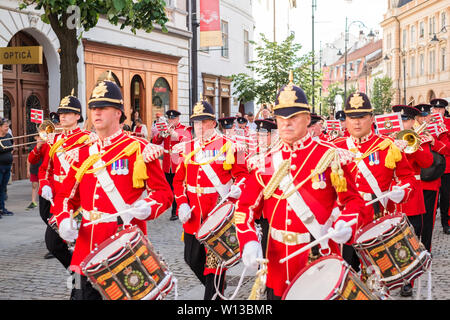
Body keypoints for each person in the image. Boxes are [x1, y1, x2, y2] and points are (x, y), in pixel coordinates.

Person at [235, 75, 366, 300]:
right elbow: (244, 208)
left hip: (318, 259)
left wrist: (347, 222)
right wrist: (248, 240)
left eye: (293, 117)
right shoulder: (265, 161)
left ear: (307, 118)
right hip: (276, 263)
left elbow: (354, 201)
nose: (286, 123)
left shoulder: (329, 156)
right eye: (281, 117)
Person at [52, 77, 173, 300]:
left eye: (103, 108)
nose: (96, 113)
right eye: (93, 108)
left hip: (123, 247)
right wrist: (63, 218)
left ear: (118, 112)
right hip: (85, 247)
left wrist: (147, 206)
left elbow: (163, 194)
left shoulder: (138, 149)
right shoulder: (82, 153)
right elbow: (65, 196)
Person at [332, 92, 417, 274]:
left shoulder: (388, 145)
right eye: (351, 117)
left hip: (377, 221)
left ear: (371, 118)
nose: (356, 122)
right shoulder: (333, 148)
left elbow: (408, 179)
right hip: (344, 222)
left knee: (377, 278)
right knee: (345, 276)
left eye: (361, 117)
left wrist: (401, 191)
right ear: (345, 119)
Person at [173, 98, 248, 300]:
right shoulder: (187, 148)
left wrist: (237, 190)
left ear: (213, 123)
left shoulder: (234, 146)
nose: (199, 126)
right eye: (196, 122)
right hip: (193, 217)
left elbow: (243, 176)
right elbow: (178, 181)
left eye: (203, 122)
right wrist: (181, 204)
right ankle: (215, 289)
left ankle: (214, 295)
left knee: (214, 268)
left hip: (217, 216)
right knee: (191, 259)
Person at [38, 92, 92, 270]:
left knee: (80, 248)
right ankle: (77, 277)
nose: (62, 116)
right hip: (60, 200)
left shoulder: (86, 139)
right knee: (53, 244)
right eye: (61, 112)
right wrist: (45, 184)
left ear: (77, 116)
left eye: (67, 112)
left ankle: (81, 284)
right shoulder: (56, 139)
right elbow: (46, 168)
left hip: (80, 201)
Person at [392, 104, 434, 296]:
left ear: (412, 121)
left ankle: (408, 280)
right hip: (392, 197)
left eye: (406, 120)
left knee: (411, 238)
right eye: (400, 119)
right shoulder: (387, 140)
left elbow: (428, 162)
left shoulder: (417, 139)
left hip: (412, 197)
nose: (403, 123)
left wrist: (412, 145)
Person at [415, 103, 450, 251]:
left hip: (430, 179)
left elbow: (447, 148)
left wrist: (434, 141)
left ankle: (426, 250)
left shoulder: (438, 129)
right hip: (414, 180)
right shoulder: (409, 131)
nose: (425, 119)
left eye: (426, 115)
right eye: (421, 116)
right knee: (413, 220)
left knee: (428, 218)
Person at [152, 109, 192, 221]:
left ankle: (176, 211)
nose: (171, 120)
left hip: (177, 163)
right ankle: (171, 207)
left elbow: (188, 140)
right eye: (169, 118)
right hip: (167, 163)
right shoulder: (166, 129)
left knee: (177, 187)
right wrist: (160, 134)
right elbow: (155, 142)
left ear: (178, 119)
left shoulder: (184, 129)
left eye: (173, 118)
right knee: (168, 188)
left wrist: (174, 134)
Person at [430, 98, 450, 234]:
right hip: (430, 167)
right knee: (432, 198)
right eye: (435, 109)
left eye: (440, 109)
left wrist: (436, 144)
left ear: (444, 110)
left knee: (447, 197)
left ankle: (446, 223)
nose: (437, 111)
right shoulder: (427, 124)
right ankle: (428, 224)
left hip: (447, 166)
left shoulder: (449, 123)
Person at [0, 118, 13, 218]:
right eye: (6, 126)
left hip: (7, 166)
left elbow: (11, 147)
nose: (7, 128)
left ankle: (2, 208)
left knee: (3, 188)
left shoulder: (8, 136)